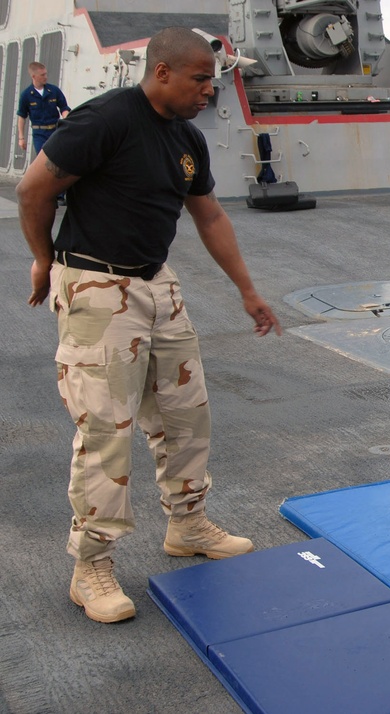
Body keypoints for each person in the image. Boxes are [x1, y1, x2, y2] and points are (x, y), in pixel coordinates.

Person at [17, 27, 283, 624]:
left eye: (211, 81)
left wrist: (247, 291)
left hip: (157, 284)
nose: (208, 91)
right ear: (162, 72)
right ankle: (91, 567)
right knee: (106, 431)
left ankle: (187, 524)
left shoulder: (186, 138)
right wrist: (45, 260)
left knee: (186, 412)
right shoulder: (104, 120)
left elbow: (208, 214)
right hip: (97, 285)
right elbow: (35, 189)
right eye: (198, 80)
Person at [17, 62, 71, 204]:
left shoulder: (54, 91)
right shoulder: (27, 95)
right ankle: (47, 193)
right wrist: (21, 137)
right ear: (34, 76)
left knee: (60, 160)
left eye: (46, 74)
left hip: (55, 130)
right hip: (39, 133)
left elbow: (64, 107)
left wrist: (67, 118)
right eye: (42, 75)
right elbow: (22, 116)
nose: (45, 77)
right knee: (45, 163)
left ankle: (60, 195)